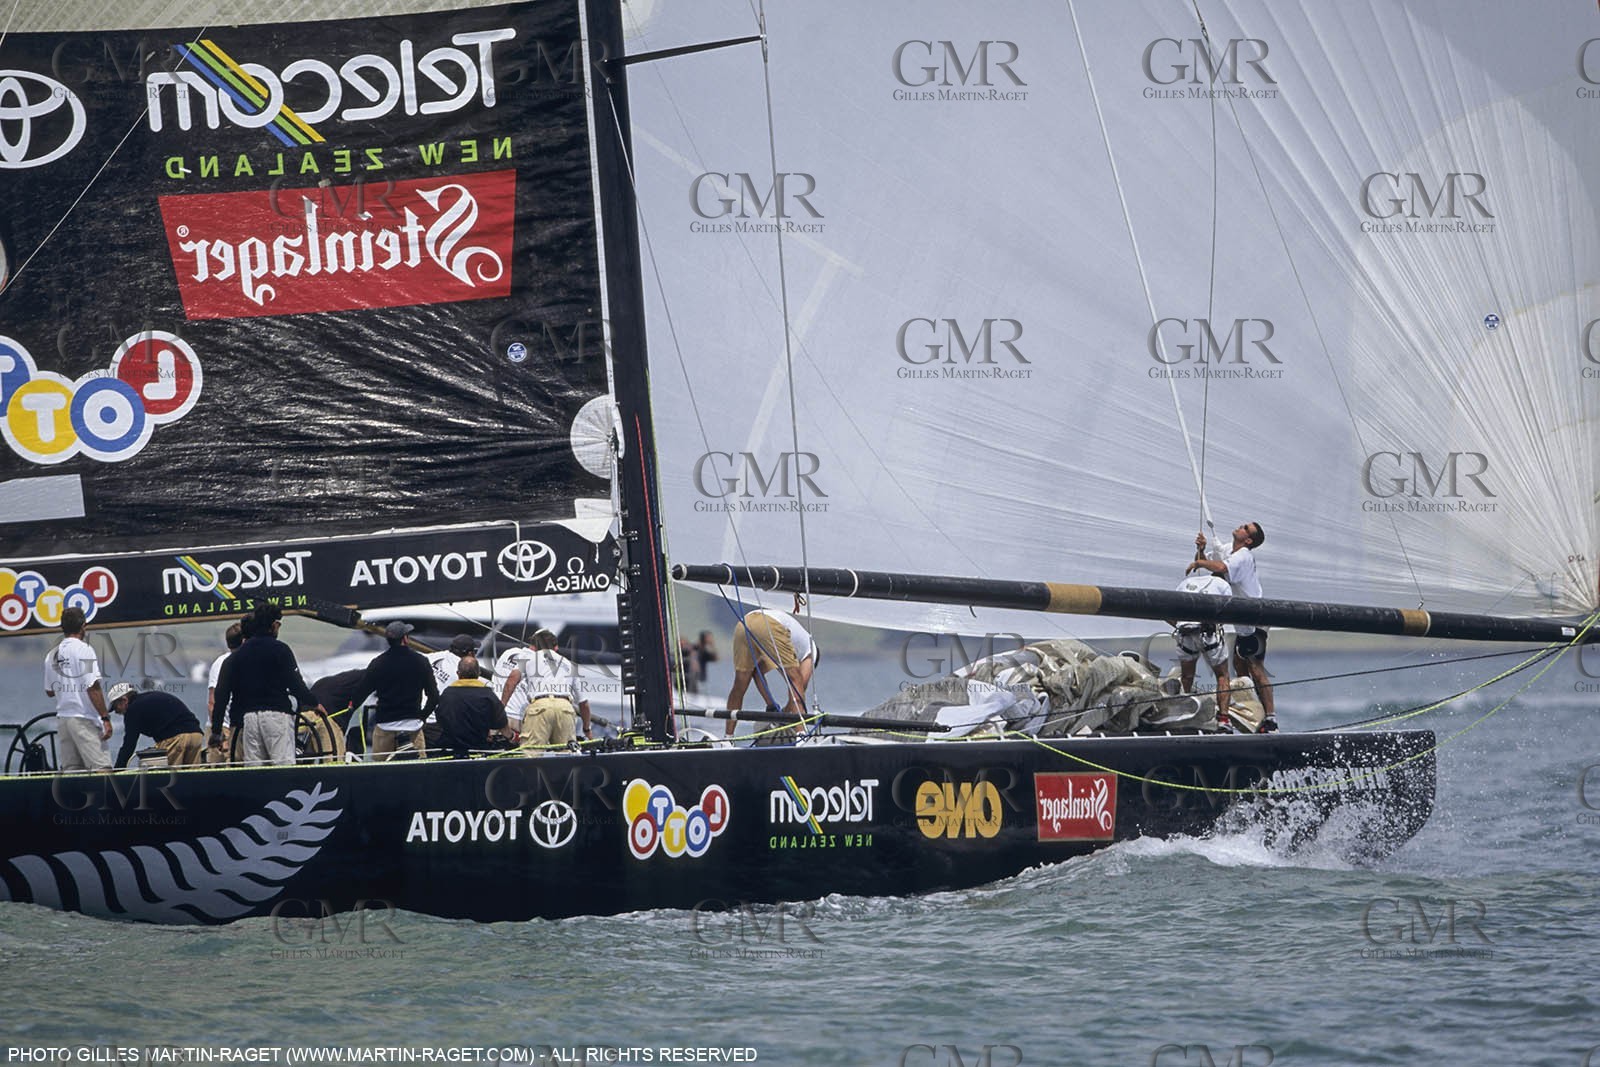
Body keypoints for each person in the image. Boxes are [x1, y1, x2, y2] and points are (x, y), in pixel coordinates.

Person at [210, 602, 326, 766]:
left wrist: (216, 731)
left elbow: (221, 695)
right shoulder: (281, 650)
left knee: (254, 771)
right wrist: (314, 703)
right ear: (274, 625)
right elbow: (296, 685)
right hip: (276, 716)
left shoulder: (235, 657)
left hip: (249, 719)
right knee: (282, 767)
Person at [1188, 521, 1275, 730]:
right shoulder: (1228, 549)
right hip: (1242, 622)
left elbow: (1220, 568)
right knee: (1239, 666)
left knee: (1255, 667)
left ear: (1248, 540)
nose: (1240, 526)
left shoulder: (1244, 555)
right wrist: (1200, 551)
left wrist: (1200, 564)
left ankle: (1272, 718)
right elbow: (1206, 563)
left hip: (1256, 619)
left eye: (1246, 528)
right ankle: (1252, 711)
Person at [725, 594, 817, 742]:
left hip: (745, 622)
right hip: (770, 624)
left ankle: (727, 738)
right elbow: (797, 689)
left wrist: (771, 705)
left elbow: (757, 673)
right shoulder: (810, 652)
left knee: (740, 683)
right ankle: (801, 735)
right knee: (796, 681)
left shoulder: (793, 645)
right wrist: (783, 713)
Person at [349, 621, 440, 760]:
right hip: (413, 728)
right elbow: (434, 696)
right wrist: (422, 716)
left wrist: (351, 707)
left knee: (382, 775)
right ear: (405, 638)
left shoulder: (378, 663)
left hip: (384, 727)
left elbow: (361, 693)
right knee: (417, 773)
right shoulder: (421, 661)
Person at [44, 606, 112, 772]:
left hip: (63, 720)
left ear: (63, 628)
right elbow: (92, 687)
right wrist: (105, 717)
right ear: (83, 626)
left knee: (72, 772)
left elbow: (50, 691)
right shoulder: (84, 649)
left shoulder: (52, 654)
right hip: (84, 718)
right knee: (103, 768)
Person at [502, 629, 591, 751]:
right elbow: (584, 703)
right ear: (556, 647)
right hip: (565, 708)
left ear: (535, 647)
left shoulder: (528, 658)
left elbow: (512, 680)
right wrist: (587, 729)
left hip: (540, 707)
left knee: (531, 755)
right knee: (566, 756)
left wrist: (501, 707)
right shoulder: (569, 664)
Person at [1169, 570, 1232, 726]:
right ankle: (1224, 719)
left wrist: (1178, 626)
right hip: (1208, 634)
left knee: (1187, 677)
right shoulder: (1223, 584)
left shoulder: (1185, 583)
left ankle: (1184, 716)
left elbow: (1167, 610)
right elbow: (1229, 611)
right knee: (1222, 676)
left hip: (1185, 634)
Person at [107, 682, 205, 769]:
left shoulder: (132, 710)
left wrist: (118, 770)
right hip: (196, 735)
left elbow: (129, 744)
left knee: (172, 780)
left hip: (176, 739)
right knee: (191, 778)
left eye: (116, 707)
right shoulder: (150, 698)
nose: (116, 711)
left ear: (124, 700)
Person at [435, 656, 514, 758]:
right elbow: (502, 724)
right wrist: (511, 737)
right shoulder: (488, 695)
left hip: (450, 750)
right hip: (478, 750)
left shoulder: (447, 694)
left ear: (458, 674)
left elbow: (440, 720)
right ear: (478, 674)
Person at [423, 634, 479, 748]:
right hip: (435, 725)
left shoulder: (434, 656)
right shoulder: (463, 672)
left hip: (418, 717)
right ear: (470, 654)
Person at [205, 622, 244, 764]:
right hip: (223, 726)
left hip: (233, 725)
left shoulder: (231, 661)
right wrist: (219, 733)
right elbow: (212, 701)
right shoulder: (223, 663)